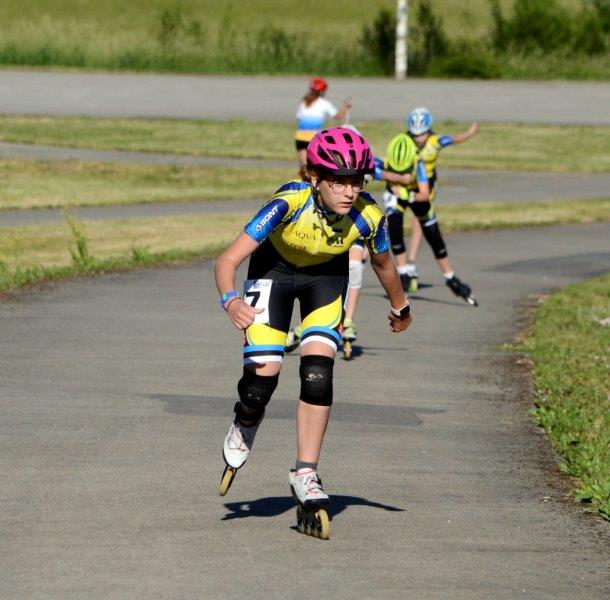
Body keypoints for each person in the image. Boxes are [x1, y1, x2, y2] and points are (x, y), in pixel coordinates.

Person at [215, 127, 412, 539]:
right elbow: (227, 260)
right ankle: (246, 419)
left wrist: (400, 306)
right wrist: (231, 301)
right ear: (315, 177)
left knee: (318, 374)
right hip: (273, 272)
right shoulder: (287, 203)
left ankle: (305, 472)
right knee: (261, 382)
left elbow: (384, 265)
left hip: (325, 278)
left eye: (357, 181)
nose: (349, 191)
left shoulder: (369, 215)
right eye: (338, 181)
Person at [382, 130, 478, 305]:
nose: (402, 173)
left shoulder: (419, 164)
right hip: (396, 196)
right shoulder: (386, 162)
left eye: (405, 169)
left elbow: (425, 194)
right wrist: (396, 177)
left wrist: (406, 193)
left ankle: (450, 278)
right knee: (394, 224)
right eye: (396, 169)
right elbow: (373, 170)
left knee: (433, 233)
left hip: (417, 195)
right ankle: (404, 273)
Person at [403, 107, 479, 293]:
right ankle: (406, 265)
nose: (418, 138)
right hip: (408, 182)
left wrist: (470, 133)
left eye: (421, 134)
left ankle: (410, 264)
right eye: (415, 134)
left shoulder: (435, 141)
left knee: (418, 222)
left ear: (428, 130)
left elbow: (454, 139)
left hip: (427, 185)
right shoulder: (405, 141)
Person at [295, 78, 352, 166]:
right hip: (314, 138)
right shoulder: (324, 103)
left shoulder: (304, 101)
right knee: (317, 165)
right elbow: (338, 116)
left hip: (300, 137)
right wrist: (346, 106)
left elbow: (299, 118)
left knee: (304, 165)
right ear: (322, 91)